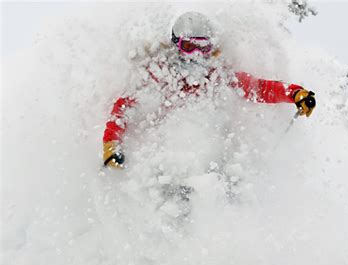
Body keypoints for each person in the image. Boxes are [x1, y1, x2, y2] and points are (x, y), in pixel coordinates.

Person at [103, 11, 316, 168]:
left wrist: (295, 94)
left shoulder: (218, 73)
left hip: (211, 159)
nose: (195, 55)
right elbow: (124, 108)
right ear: (176, 44)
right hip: (168, 156)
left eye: (203, 48)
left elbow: (258, 88)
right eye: (188, 47)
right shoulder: (159, 72)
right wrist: (111, 144)